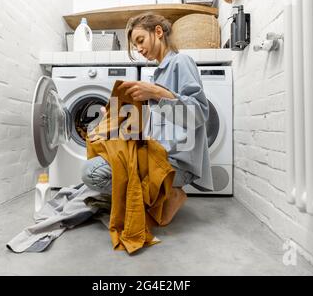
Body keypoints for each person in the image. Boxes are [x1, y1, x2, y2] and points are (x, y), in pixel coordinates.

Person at [81, 12, 214, 197]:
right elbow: (153, 128)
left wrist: (155, 92)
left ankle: (168, 195)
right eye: (136, 45)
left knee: (92, 173)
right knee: (99, 158)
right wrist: (115, 116)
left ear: (158, 32)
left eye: (140, 40)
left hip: (177, 164)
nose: (139, 49)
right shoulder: (157, 74)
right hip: (158, 155)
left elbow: (199, 114)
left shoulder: (181, 62)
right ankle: (160, 198)